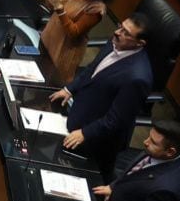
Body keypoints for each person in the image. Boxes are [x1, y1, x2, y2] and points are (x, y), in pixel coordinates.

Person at [51, 14, 152, 177]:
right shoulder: (117, 41)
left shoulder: (137, 78)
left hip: (96, 141)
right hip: (79, 117)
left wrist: (85, 133)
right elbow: (92, 69)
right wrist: (70, 89)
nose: (118, 32)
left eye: (126, 33)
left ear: (140, 43)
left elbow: (116, 120)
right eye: (120, 26)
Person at [95, 120, 180, 201]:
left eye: (153, 142)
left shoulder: (167, 189)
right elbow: (135, 170)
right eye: (149, 136)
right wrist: (114, 186)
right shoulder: (159, 152)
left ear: (170, 152)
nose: (145, 142)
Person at [41, 0, 116, 79]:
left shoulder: (96, 7)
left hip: (63, 51)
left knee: (46, 87)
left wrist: (60, 9)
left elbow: (74, 32)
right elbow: (49, 6)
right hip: (50, 34)